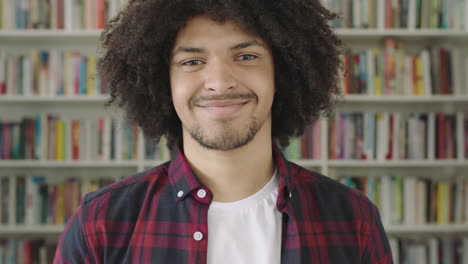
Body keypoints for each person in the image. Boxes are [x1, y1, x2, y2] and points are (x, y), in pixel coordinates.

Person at [54, 0, 393, 263]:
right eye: (192, 62)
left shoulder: (354, 220)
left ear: (283, 76)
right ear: (162, 83)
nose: (219, 83)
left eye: (246, 56)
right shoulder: (99, 224)